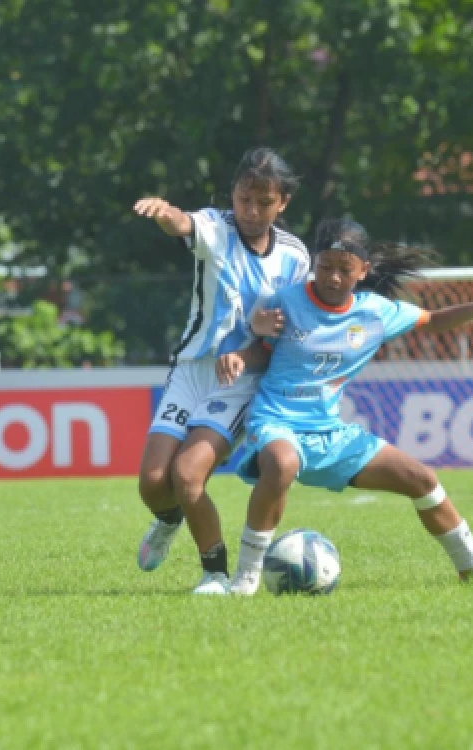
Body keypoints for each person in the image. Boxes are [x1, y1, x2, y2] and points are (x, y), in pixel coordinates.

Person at [217, 218, 473, 595]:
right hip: (277, 420)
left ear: (363, 271)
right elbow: (262, 350)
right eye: (326, 266)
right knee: (283, 464)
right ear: (315, 262)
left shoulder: (376, 313)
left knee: (422, 480)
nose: (333, 277)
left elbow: (432, 320)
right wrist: (240, 357)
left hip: (331, 434)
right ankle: (246, 578)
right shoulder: (286, 301)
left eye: (344, 269)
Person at [132, 148, 310, 594]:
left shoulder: (295, 257)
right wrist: (165, 213)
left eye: (263, 202)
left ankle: (214, 574)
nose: (251, 211)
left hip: (241, 380)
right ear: (233, 194)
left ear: (283, 203)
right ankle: (169, 519)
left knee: (187, 474)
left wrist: (261, 336)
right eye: (244, 199)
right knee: (153, 484)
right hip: (193, 370)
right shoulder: (215, 227)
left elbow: (289, 329)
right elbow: (183, 224)